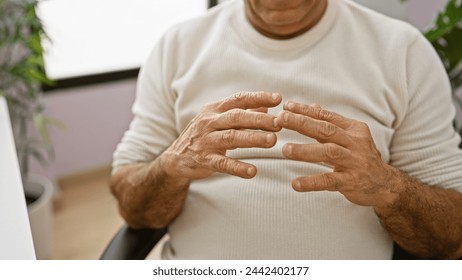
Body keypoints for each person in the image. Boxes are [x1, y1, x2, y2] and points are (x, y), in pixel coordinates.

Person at [110, 0, 462, 259]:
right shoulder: (176, 47)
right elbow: (132, 204)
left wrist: (387, 186)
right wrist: (171, 165)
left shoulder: (403, 51)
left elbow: (451, 233)